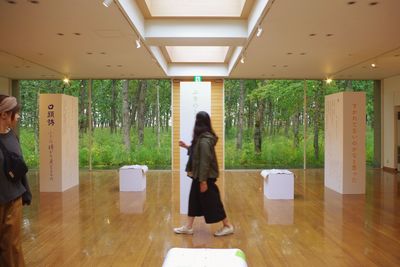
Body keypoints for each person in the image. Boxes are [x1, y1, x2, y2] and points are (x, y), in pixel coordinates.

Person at [174, 111, 234, 236]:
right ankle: (188, 226)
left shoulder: (205, 140)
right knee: (194, 200)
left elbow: (204, 162)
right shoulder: (202, 138)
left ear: (199, 123)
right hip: (200, 176)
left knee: (214, 201)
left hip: (206, 177)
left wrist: (203, 181)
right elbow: (197, 153)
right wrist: (186, 147)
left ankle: (228, 226)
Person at [0, 95, 31, 267]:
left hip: (14, 199)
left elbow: (20, 167)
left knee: (12, 246)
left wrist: (26, 192)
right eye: (15, 113)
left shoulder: (13, 137)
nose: (18, 116)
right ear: (4, 114)